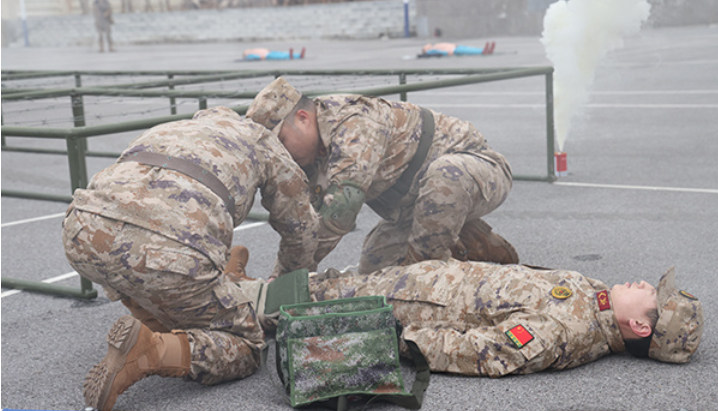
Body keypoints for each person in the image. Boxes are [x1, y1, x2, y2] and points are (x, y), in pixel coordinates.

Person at [63, 106, 321, 411]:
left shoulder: (180, 126)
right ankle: (151, 351)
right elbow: (301, 228)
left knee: (145, 261)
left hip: (81, 232)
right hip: (166, 253)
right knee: (249, 345)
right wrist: (289, 281)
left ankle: (158, 323)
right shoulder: (265, 143)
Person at [246, 77, 517, 275]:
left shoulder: (353, 123)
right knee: (375, 274)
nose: (279, 153)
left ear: (303, 118)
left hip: (477, 170)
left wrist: (287, 280)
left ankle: (442, 267)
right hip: (412, 207)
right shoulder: (308, 156)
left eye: (280, 139)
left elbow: (339, 212)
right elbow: (305, 224)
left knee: (417, 278)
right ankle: (466, 241)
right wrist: (282, 279)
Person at [419, 41, 496, 57]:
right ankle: (483, 51)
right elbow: (442, 52)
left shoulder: (435, 45)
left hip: (456, 47)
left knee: (469, 49)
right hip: (455, 50)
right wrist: (448, 53)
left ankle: (484, 50)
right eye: (425, 47)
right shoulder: (431, 50)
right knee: (469, 51)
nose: (427, 45)